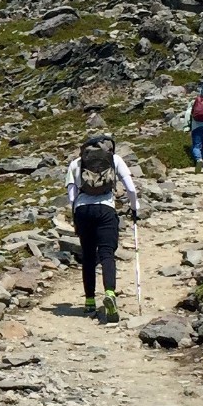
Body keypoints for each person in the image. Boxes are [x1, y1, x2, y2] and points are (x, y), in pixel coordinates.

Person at [66, 132, 139, 325]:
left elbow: (71, 196)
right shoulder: (114, 159)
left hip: (82, 210)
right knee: (107, 254)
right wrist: (134, 208)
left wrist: (75, 217)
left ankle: (90, 300)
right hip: (106, 209)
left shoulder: (76, 163)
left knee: (88, 256)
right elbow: (130, 188)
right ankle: (110, 293)